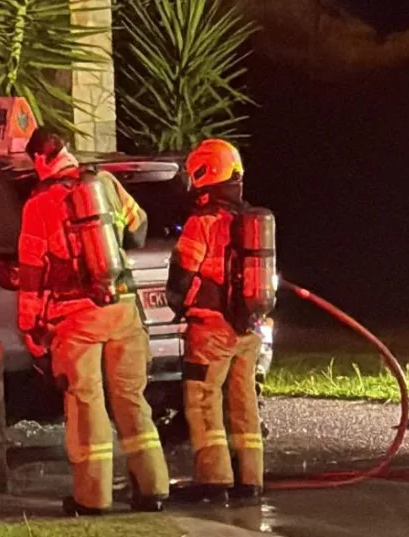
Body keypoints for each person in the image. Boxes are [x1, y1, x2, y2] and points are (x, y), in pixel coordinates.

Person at [17, 127, 170, 516]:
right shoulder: (105, 181)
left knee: (87, 407)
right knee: (132, 400)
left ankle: (93, 498)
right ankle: (153, 489)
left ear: (39, 159)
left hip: (76, 319)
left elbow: (33, 271)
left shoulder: (39, 204)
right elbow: (139, 230)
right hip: (122, 311)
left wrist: (30, 324)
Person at [165, 139, 264, 505]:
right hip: (248, 329)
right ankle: (250, 479)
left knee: (203, 401)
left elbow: (182, 274)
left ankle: (213, 480)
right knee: (243, 401)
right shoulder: (251, 220)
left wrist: (179, 306)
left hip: (211, 329)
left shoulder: (203, 221)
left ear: (205, 172)